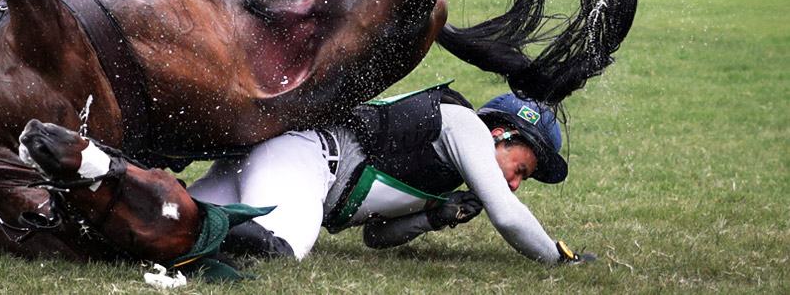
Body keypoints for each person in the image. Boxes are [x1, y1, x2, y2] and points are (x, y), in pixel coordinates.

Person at [187, 86, 593, 266]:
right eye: (520, 169)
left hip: (285, 159)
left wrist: (433, 217)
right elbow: (507, 215)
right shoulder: (467, 126)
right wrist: (557, 258)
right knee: (283, 250)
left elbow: (374, 237)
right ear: (501, 133)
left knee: (179, 210)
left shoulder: (449, 168)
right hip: (303, 157)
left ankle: (137, 209)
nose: (515, 183)